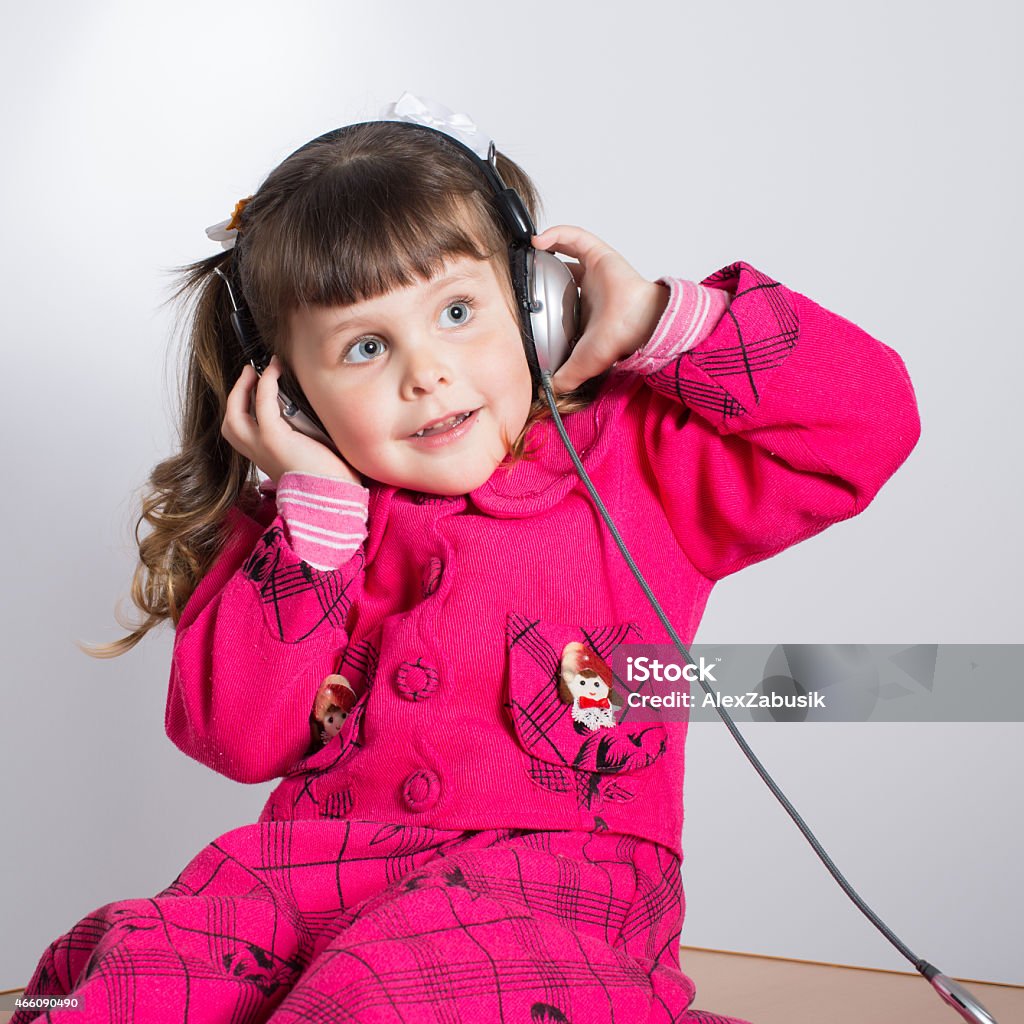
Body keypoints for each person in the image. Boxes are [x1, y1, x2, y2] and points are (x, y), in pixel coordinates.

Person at [12, 94, 921, 1024]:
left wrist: (659, 319)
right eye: (365, 346)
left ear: (541, 309)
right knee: (136, 976)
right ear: (290, 394)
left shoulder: (639, 469)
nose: (425, 372)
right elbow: (235, 738)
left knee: (382, 997)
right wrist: (313, 518)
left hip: (554, 894)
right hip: (310, 881)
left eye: (456, 310)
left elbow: (868, 421)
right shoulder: (301, 525)